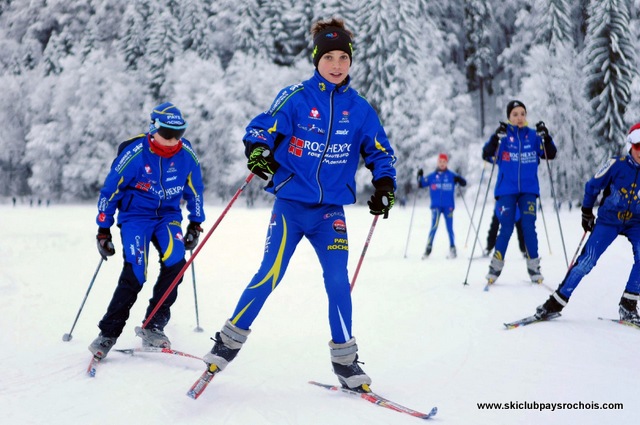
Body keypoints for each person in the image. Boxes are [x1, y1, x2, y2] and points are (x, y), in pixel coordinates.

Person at [201, 17, 396, 393]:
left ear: (351, 61)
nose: (337, 65)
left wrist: (385, 183)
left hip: (329, 214)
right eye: (329, 58)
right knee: (269, 274)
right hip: (291, 205)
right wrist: (258, 152)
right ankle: (226, 345)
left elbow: (380, 153)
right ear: (315, 59)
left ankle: (346, 361)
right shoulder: (295, 97)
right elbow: (260, 129)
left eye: (343, 57)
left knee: (339, 282)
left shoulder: (361, 110)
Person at [88, 102, 206, 359]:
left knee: (177, 264)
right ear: (153, 129)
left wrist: (196, 224)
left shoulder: (187, 154)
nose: (173, 140)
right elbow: (110, 192)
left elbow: (195, 190)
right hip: (136, 217)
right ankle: (108, 333)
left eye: (179, 133)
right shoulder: (133, 154)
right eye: (167, 133)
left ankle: (153, 325)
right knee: (136, 272)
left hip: (168, 217)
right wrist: (103, 230)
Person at [533, 123, 640, 325]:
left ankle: (628, 305)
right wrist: (586, 211)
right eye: (638, 146)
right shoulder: (616, 165)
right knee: (587, 260)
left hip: (636, 222)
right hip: (609, 220)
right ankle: (555, 303)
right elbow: (592, 186)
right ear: (630, 146)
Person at [482, 100, 557, 285]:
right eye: (515, 114)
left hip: (529, 190)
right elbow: (487, 153)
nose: (519, 118)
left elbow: (551, 154)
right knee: (506, 226)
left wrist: (546, 137)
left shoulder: (533, 136)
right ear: (509, 117)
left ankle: (534, 267)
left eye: (522, 114)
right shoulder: (503, 137)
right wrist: (495, 137)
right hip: (506, 190)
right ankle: (495, 267)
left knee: (529, 226)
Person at [417, 153, 466, 258]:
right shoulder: (432, 176)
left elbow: (463, 182)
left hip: (448, 206)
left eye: (444, 162)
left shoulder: (451, 175)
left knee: (450, 228)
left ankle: (453, 249)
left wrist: (459, 179)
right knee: (434, 227)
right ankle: (428, 249)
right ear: (437, 162)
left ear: (447, 163)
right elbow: (420, 184)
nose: (442, 164)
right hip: (436, 206)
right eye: (440, 162)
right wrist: (419, 176)